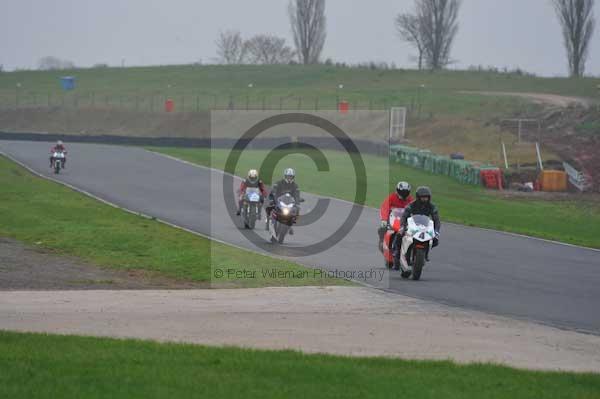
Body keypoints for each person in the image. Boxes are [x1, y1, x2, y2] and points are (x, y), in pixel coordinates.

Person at [399, 186, 441, 265]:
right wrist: (402, 227)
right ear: (418, 197)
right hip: (412, 225)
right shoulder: (411, 205)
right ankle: (398, 253)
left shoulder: (432, 206)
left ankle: (425, 253)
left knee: (435, 240)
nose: (425, 199)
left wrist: (437, 231)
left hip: (425, 226)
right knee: (399, 236)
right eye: (423, 198)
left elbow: (436, 220)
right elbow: (404, 216)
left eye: (426, 198)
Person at [378, 181, 413, 252]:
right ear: (397, 191)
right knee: (382, 228)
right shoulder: (392, 197)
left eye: (405, 193)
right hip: (392, 218)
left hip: (404, 219)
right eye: (402, 192)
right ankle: (382, 241)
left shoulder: (410, 200)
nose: (403, 194)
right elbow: (385, 207)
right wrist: (384, 219)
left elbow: (415, 210)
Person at [265, 168, 300, 232]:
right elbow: (273, 191)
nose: (289, 178)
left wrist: (297, 202)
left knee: (297, 209)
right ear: (285, 176)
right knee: (269, 207)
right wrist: (273, 199)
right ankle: (267, 221)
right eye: (288, 176)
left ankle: (291, 223)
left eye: (291, 176)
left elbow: (297, 195)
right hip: (279, 201)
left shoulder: (295, 186)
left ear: (293, 177)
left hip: (289, 203)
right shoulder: (279, 183)